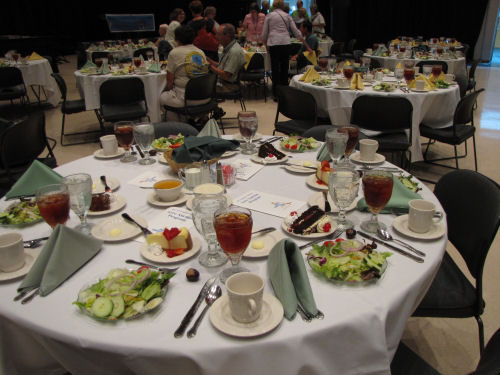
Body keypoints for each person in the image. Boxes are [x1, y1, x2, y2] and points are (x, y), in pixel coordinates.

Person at [261, 0, 312, 100]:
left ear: (274, 5)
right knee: (284, 68)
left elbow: (264, 34)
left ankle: (276, 94)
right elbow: (296, 32)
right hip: (285, 43)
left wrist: (266, 45)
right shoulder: (287, 16)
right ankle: (285, 92)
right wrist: (307, 45)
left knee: (275, 69)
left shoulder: (269, 16)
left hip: (274, 44)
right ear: (283, 6)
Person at [160, 25, 209, 121]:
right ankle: (189, 123)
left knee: (163, 98)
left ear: (176, 38)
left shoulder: (174, 53)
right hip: (205, 96)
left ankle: (179, 127)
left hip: (187, 99)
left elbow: (169, 83)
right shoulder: (200, 52)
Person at [207, 23, 246, 95]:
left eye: (219, 34)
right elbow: (224, 66)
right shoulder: (229, 47)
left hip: (228, 86)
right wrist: (208, 60)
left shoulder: (234, 52)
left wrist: (209, 66)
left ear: (227, 36)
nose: (216, 36)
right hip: (224, 83)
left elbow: (225, 75)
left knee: (199, 87)